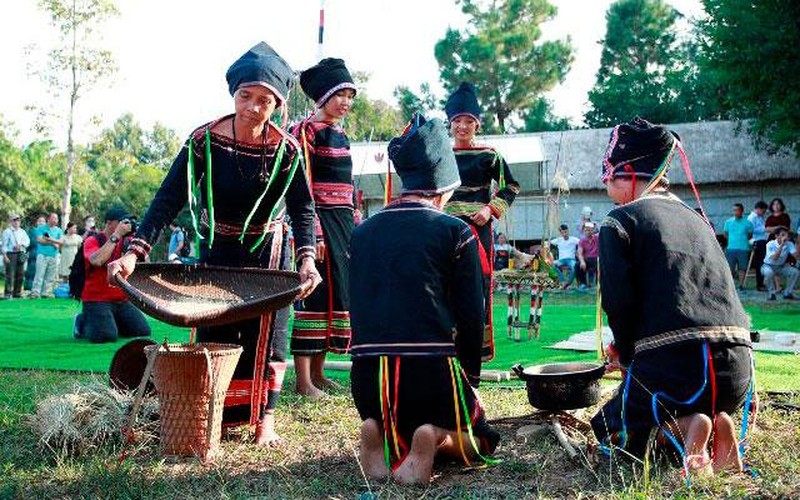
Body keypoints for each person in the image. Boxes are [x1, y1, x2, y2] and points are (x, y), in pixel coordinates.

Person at [107, 42, 320, 446]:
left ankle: (264, 420)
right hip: (216, 249)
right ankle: (215, 411)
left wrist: (307, 261)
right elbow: (166, 200)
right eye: (246, 96)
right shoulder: (203, 142)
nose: (253, 108)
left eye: (264, 101)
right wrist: (134, 253)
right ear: (233, 94)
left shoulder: (287, 151)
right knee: (214, 332)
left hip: (269, 253)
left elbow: (303, 210)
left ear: (277, 104)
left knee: (267, 337)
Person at [593, 117, 753, 477]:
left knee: (608, 428)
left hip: (678, 370)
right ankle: (719, 419)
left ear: (629, 174)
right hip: (737, 373)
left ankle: (685, 427)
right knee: (705, 396)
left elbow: (619, 303)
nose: (606, 186)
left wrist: (625, 351)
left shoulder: (620, 220)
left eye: (608, 178)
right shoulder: (700, 220)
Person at [350, 115, 499, 485]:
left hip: (369, 381)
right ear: (445, 186)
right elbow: (470, 314)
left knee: (391, 416)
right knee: (482, 440)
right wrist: (471, 376)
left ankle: (377, 431)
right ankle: (433, 436)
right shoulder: (456, 231)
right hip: (430, 377)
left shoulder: (363, 232)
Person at [289, 58, 357, 398]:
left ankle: (319, 373)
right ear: (322, 96)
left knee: (337, 295)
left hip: (343, 224)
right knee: (313, 296)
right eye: (340, 94)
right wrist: (311, 233)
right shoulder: (304, 132)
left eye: (350, 95)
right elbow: (301, 187)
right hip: (317, 222)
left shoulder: (342, 134)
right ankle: (303, 381)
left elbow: (348, 187)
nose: (346, 101)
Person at [444, 82, 520, 361]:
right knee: (444, 283)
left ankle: (474, 350)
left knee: (476, 283)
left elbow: (510, 186)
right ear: (450, 124)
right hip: (444, 229)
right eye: (457, 121)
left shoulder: (490, 154)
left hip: (478, 228)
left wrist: (490, 210)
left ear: (478, 124)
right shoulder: (441, 153)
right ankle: (444, 349)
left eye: (469, 121)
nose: (462, 126)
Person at [74, 207, 152, 343]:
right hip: (96, 299)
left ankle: (110, 321)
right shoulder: (93, 240)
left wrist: (138, 243)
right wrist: (115, 236)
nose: (126, 225)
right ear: (109, 223)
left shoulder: (129, 241)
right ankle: (82, 322)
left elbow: (146, 263)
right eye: (122, 221)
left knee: (141, 331)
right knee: (106, 337)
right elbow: (97, 261)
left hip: (122, 299)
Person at [761, 227, 799, 301]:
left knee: (795, 272)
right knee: (768, 273)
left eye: (786, 235)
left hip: (781, 267)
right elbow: (775, 257)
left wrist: (797, 243)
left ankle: (788, 293)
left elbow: (796, 256)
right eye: (782, 235)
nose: (785, 237)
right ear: (776, 236)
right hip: (768, 266)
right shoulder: (770, 244)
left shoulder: (789, 244)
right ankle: (772, 294)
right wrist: (782, 245)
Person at [30, 212, 63, 298]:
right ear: (49, 219)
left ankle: (46, 292)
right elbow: (40, 240)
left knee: (50, 276)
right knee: (39, 274)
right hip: (42, 254)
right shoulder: (41, 228)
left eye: (57, 219)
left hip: (54, 255)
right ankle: (35, 292)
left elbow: (61, 242)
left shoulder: (59, 230)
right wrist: (54, 243)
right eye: (54, 218)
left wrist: (50, 239)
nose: (56, 220)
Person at [723, 203, 754, 289]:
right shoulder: (728, 222)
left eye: (737, 210)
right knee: (730, 268)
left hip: (743, 248)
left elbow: (750, 235)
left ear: (742, 211)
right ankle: (730, 286)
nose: (735, 212)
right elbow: (725, 234)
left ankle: (741, 285)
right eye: (734, 210)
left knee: (742, 267)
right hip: (731, 248)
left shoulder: (748, 223)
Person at [2, 214, 30, 299]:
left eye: (18, 220)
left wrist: (21, 244)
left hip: (20, 253)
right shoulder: (7, 231)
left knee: (20, 274)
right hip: (11, 254)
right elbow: (3, 245)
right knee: (10, 274)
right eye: (14, 220)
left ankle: (17, 292)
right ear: (11, 222)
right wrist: (5, 256)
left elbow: (27, 241)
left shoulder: (22, 231)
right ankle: (8, 293)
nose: (17, 222)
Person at [549, 224, 580, 289]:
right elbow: (548, 242)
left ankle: (568, 283)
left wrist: (578, 252)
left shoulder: (574, 239)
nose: (564, 234)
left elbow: (582, 243)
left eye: (565, 232)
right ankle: (562, 281)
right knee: (553, 264)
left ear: (568, 231)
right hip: (561, 261)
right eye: (562, 232)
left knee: (575, 266)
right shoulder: (558, 240)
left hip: (571, 260)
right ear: (560, 233)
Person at [747, 201, 769, 291]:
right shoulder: (752, 218)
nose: (763, 213)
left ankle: (762, 282)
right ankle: (759, 285)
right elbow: (750, 231)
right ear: (759, 209)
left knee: (763, 262)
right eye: (763, 211)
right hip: (757, 241)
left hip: (762, 240)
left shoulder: (760, 217)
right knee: (760, 263)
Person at [24, 215, 46, 292]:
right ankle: (29, 288)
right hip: (33, 254)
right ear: (37, 222)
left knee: (42, 273)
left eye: (43, 221)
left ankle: (40, 289)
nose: (41, 223)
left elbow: (50, 241)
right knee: (31, 272)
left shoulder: (46, 232)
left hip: (44, 255)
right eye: (39, 221)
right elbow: (27, 242)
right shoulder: (32, 231)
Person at [576, 222, 599, 289]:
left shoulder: (597, 238)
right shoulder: (582, 241)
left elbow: (602, 231)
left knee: (599, 264)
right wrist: (582, 261)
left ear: (592, 230)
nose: (587, 232)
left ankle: (598, 284)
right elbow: (579, 253)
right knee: (578, 265)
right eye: (586, 230)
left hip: (596, 258)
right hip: (587, 259)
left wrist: (596, 225)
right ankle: (583, 283)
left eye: (589, 230)